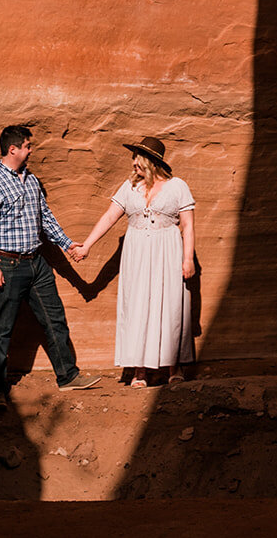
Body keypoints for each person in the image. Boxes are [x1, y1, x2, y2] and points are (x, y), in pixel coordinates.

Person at [0, 123, 100, 406]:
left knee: (54, 318)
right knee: (2, 329)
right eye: (28, 146)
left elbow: (45, 218)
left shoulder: (30, 180)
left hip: (37, 264)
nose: (31, 151)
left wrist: (68, 244)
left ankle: (68, 376)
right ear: (13, 149)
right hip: (6, 265)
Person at [77, 136, 195, 385]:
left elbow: (188, 225)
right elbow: (110, 216)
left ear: (151, 162)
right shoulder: (129, 187)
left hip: (168, 250)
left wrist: (187, 259)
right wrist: (87, 244)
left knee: (170, 305)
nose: (133, 164)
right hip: (137, 252)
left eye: (137, 159)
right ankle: (140, 371)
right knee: (138, 306)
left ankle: (174, 368)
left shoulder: (177, 186)